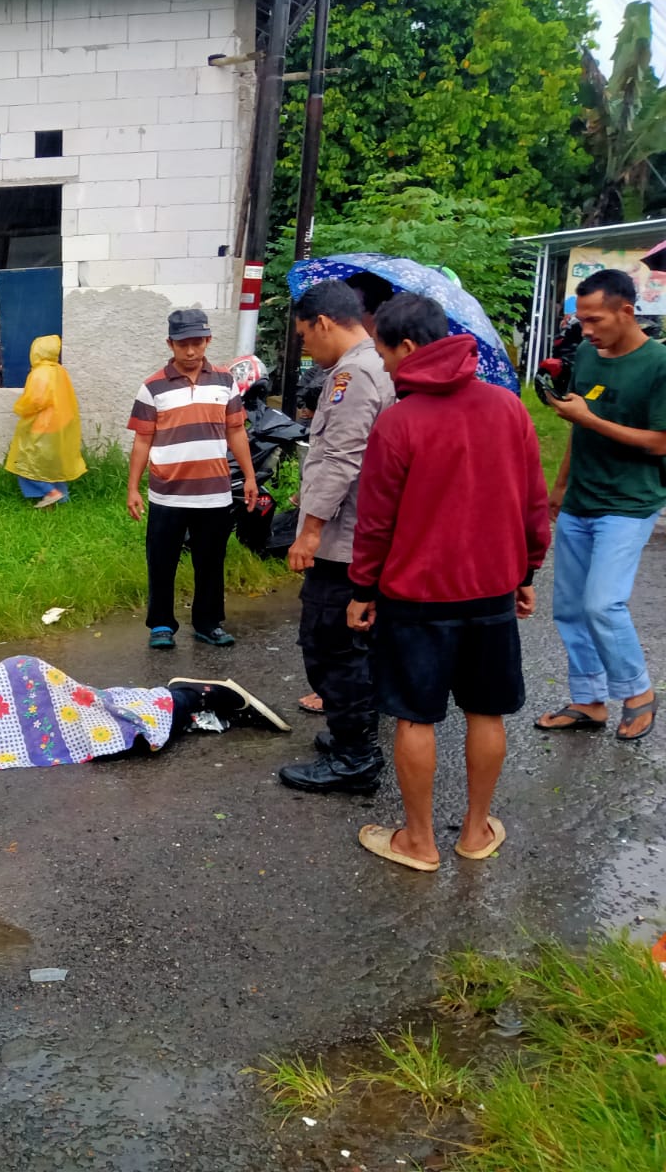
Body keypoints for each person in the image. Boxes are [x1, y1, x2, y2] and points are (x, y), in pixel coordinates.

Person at [346, 295, 550, 871]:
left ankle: (418, 840)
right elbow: (533, 503)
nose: (382, 363)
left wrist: (363, 591)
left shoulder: (400, 421)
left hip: (416, 597)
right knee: (487, 712)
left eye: (382, 349)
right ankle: (475, 829)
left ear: (407, 348)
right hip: (491, 590)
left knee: (416, 716)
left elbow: (377, 521)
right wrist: (526, 571)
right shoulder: (509, 409)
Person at [536, 269, 666, 741]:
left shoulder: (658, 365)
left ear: (625, 311)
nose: (585, 330)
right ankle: (588, 701)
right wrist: (561, 484)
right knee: (569, 607)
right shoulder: (588, 356)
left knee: (602, 604)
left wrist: (589, 419)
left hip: (630, 502)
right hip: (581, 500)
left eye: (594, 320)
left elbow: (659, 442)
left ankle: (637, 692)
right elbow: (578, 425)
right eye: (581, 319)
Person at [279, 281, 395, 794]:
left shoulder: (354, 373)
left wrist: (309, 530)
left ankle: (356, 758)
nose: (306, 346)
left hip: (345, 540)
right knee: (347, 644)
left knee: (331, 644)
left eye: (305, 335)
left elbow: (342, 457)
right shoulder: (371, 367)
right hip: (356, 535)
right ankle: (351, 737)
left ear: (324, 322)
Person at [128, 308, 257, 649]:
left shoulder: (225, 382)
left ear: (207, 341)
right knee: (161, 560)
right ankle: (161, 625)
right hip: (167, 493)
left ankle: (208, 622)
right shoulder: (152, 387)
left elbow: (236, 431)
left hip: (214, 493)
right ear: (170, 344)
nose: (190, 351)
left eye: (197, 342)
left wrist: (249, 476)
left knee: (211, 561)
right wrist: (133, 488)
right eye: (183, 344)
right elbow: (142, 440)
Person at [5, 334, 86, 509]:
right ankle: (61, 502)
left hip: (42, 426)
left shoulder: (40, 373)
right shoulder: (60, 371)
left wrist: (20, 408)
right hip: (61, 426)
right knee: (54, 467)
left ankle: (50, 492)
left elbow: (35, 400)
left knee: (25, 464)